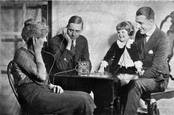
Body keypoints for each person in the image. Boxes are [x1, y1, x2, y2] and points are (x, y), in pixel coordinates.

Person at [11, 18, 96, 115]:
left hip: (44, 91)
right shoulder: (21, 53)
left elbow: (42, 79)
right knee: (83, 100)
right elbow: (41, 76)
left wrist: (51, 86)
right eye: (44, 37)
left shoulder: (34, 53)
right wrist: (38, 51)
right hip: (33, 98)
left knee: (86, 97)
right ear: (35, 39)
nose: (46, 40)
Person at [122, 7, 170, 115]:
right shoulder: (139, 34)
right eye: (136, 22)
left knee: (136, 84)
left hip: (159, 79)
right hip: (143, 75)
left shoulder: (163, 38)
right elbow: (137, 58)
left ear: (151, 21)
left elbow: (156, 69)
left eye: (140, 23)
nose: (137, 26)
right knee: (120, 81)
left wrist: (135, 76)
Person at [97, 21, 144, 113]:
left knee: (130, 85)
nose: (120, 34)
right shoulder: (116, 44)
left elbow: (136, 58)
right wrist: (102, 67)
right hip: (118, 69)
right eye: (118, 32)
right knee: (111, 84)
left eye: (123, 32)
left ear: (129, 33)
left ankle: (134, 104)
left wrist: (139, 69)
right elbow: (108, 56)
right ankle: (113, 107)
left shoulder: (132, 44)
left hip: (131, 70)